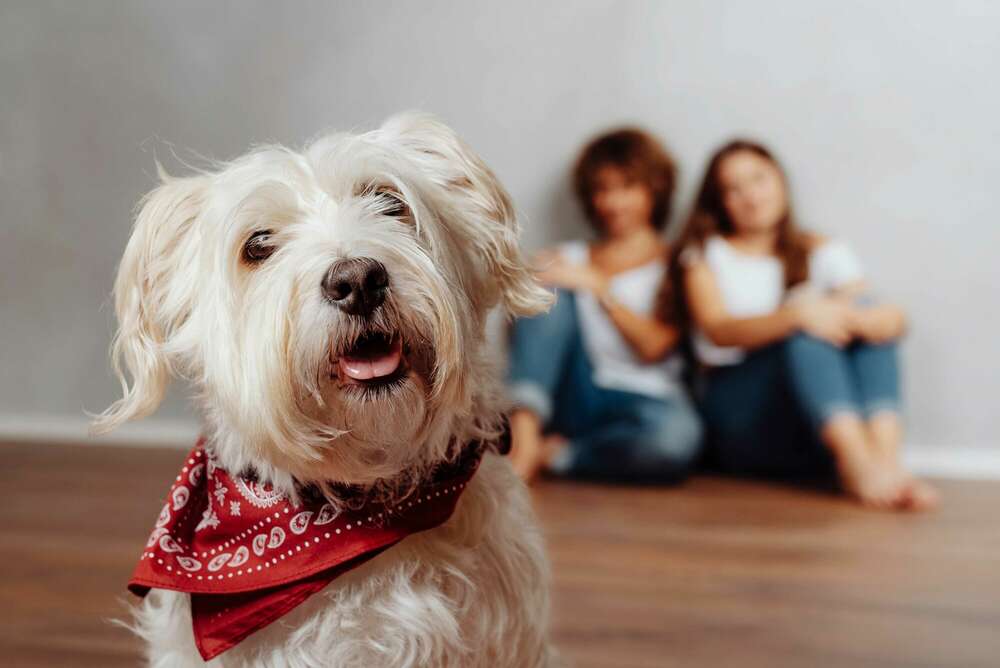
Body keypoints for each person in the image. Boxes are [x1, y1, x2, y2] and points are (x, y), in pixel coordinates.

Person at [664, 139, 938, 510]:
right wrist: (796, 316)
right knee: (808, 325)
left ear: (780, 181)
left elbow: (876, 311)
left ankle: (886, 461)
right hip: (740, 415)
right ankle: (858, 462)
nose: (751, 197)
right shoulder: (704, 253)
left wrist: (882, 318)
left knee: (862, 315)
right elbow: (718, 329)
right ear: (720, 202)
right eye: (733, 188)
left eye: (758, 179)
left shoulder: (819, 247)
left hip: (808, 421)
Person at [506, 128, 702, 483]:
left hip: (645, 399)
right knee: (546, 282)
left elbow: (653, 347)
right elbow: (524, 330)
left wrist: (600, 286)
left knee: (675, 438)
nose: (612, 202)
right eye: (602, 189)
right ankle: (525, 438)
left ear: (654, 188)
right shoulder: (569, 258)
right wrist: (531, 279)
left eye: (626, 187)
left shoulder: (680, 261)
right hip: (575, 392)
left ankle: (563, 456)